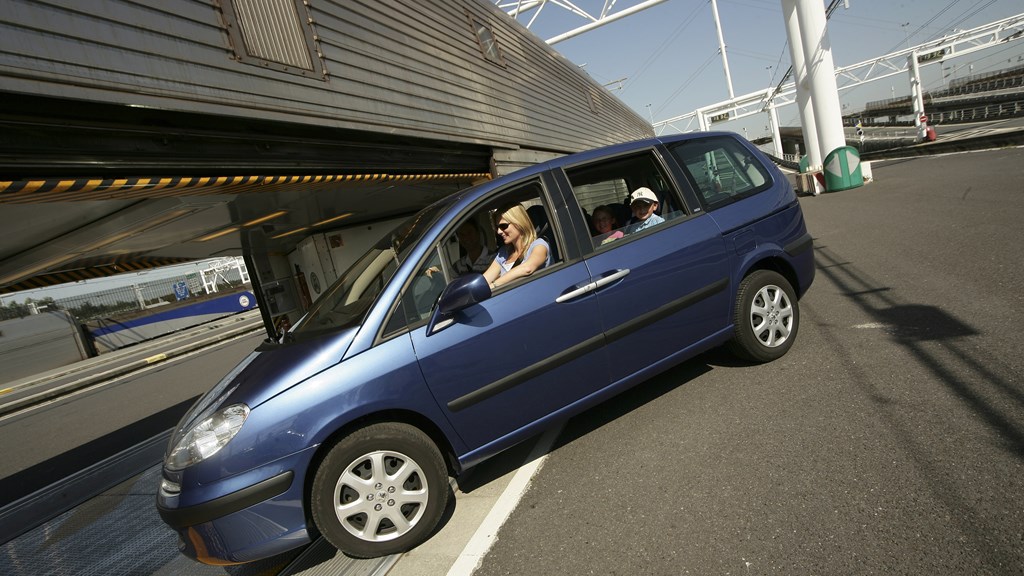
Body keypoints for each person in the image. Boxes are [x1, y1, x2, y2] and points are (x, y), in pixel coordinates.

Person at [483, 203, 550, 290]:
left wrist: (495, 285)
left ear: (518, 222)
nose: (499, 232)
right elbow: (486, 279)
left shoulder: (539, 245)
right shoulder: (504, 252)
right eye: (497, 227)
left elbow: (527, 268)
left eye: (503, 226)